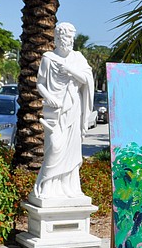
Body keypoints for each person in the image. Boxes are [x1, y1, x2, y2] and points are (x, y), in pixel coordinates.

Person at [30, 22, 94, 202]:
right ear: (58, 38)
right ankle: (46, 186)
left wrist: (70, 70)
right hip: (54, 111)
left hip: (73, 108)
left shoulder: (78, 58)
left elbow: (86, 80)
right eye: (67, 38)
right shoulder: (48, 58)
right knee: (54, 148)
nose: (70, 41)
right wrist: (48, 96)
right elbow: (40, 83)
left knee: (72, 150)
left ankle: (69, 187)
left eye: (72, 38)